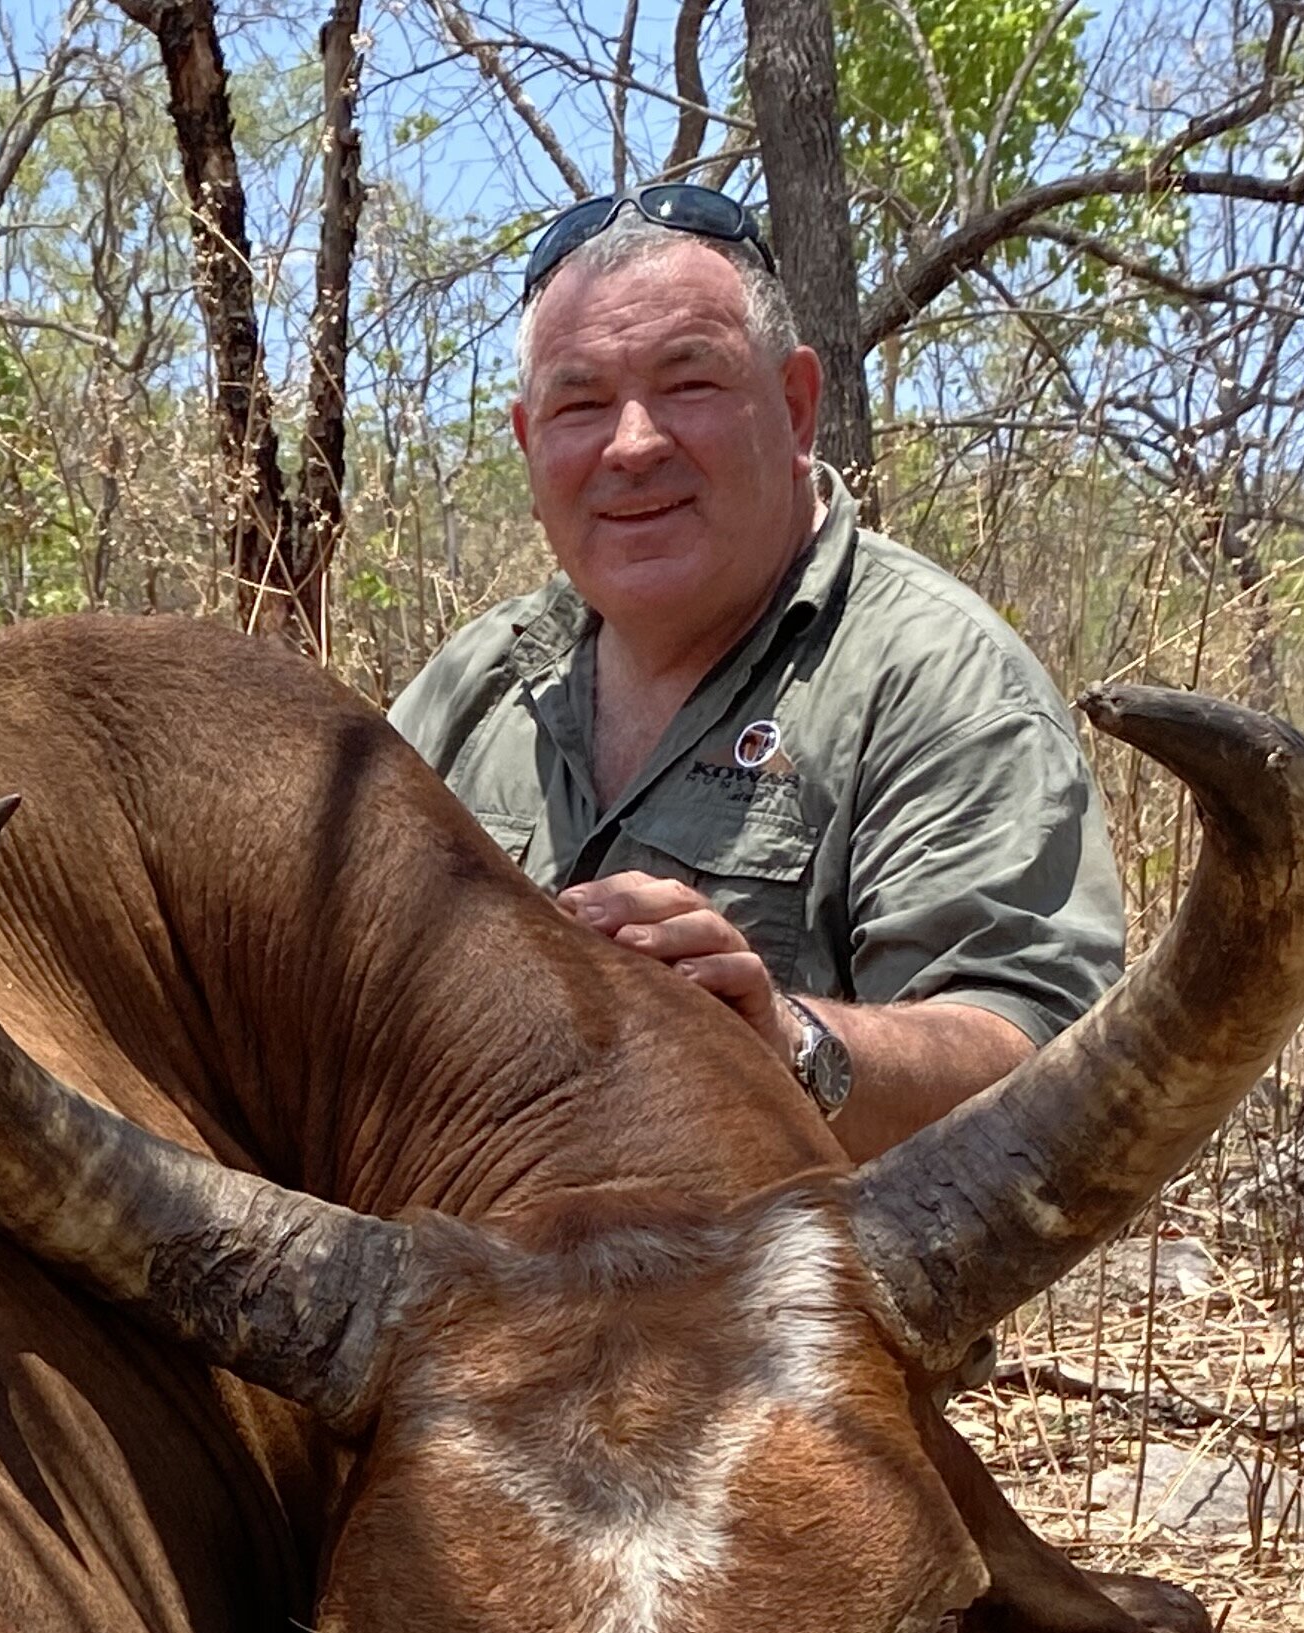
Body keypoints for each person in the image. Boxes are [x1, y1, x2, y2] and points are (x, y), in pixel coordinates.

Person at [391, 183, 1126, 1158]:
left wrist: (788, 1045)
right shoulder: (466, 689)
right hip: (476, 1290)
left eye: (690, 385)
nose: (635, 443)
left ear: (795, 407)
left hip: (793, 1300)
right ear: (531, 447)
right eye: (581, 403)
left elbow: (1042, 1065)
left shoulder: (934, 676)